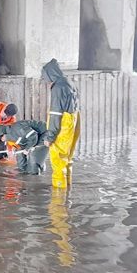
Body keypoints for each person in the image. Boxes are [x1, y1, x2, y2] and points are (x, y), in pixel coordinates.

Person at [42, 59, 80, 189]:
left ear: (50, 75)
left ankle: (58, 200)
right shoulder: (69, 82)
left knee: (58, 160)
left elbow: (55, 114)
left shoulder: (58, 87)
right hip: (73, 120)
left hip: (63, 123)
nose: (47, 82)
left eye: (46, 78)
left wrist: (49, 136)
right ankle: (67, 188)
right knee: (67, 158)